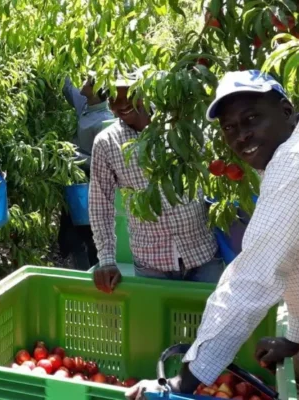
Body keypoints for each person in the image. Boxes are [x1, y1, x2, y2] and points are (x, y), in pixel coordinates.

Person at [126, 70, 299, 400]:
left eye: (252, 119)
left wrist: (182, 383)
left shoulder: (292, 164)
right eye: (230, 128)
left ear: (286, 111)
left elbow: (250, 280)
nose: (241, 136)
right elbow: (294, 260)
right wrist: (294, 338)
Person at [90, 72, 221, 293]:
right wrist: (107, 260)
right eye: (112, 99)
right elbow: (100, 204)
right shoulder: (106, 143)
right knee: (158, 327)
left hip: (202, 252)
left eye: (126, 96)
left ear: (144, 91)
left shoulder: (180, 127)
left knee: (211, 324)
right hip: (151, 261)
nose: (118, 106)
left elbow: (213, 173)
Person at [58, 73, 115, 270]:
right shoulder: (85, 105)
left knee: (89, 233)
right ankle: (82, 268)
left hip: (92, 183)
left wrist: (76, 158)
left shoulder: (104, 121)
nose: (81, 82)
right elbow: (67, 88)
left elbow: (106, 164)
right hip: (77, 179)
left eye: (87, 81)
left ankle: (93, 271)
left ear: (97, 89)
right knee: (71, 231)